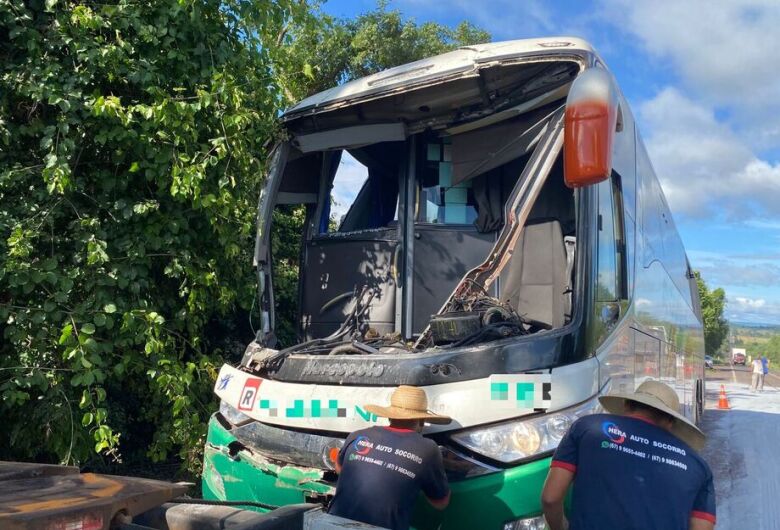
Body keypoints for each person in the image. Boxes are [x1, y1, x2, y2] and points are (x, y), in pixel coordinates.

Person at [541, 380, 716, 530]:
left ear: (626, 405)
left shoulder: (587, 428)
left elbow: (551, 498)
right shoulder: (698, 466)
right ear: (671, 422)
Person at [328, 385, 451, 530]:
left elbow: (339, 468)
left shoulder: (357, 435)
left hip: (331, 524)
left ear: (389, 415)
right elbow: (441, 502)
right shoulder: (429, 448)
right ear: (422, 420)